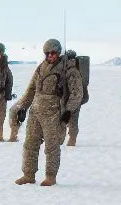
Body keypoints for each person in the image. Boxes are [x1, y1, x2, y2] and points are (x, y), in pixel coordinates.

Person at [14, 38, 83, 186]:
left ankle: (50, 177)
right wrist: (23, 107)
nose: (50, 55)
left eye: (53, 53)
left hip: (54, 114)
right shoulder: (41, 68)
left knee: (52, 147)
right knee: (30, 144)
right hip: (36, 112)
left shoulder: (68, 69)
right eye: (48, 53)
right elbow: (31, 89)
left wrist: (68, 111)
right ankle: (28, 174)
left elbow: (77, 93)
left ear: (58, 53)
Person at [63, 50, 88, 145]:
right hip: (69, 101)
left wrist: (69, 108)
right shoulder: (68, 69)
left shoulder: (72, 71)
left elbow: (76, 93)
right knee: (70, 121)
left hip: (73, 102)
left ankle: (72, 141)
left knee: (73, 121)